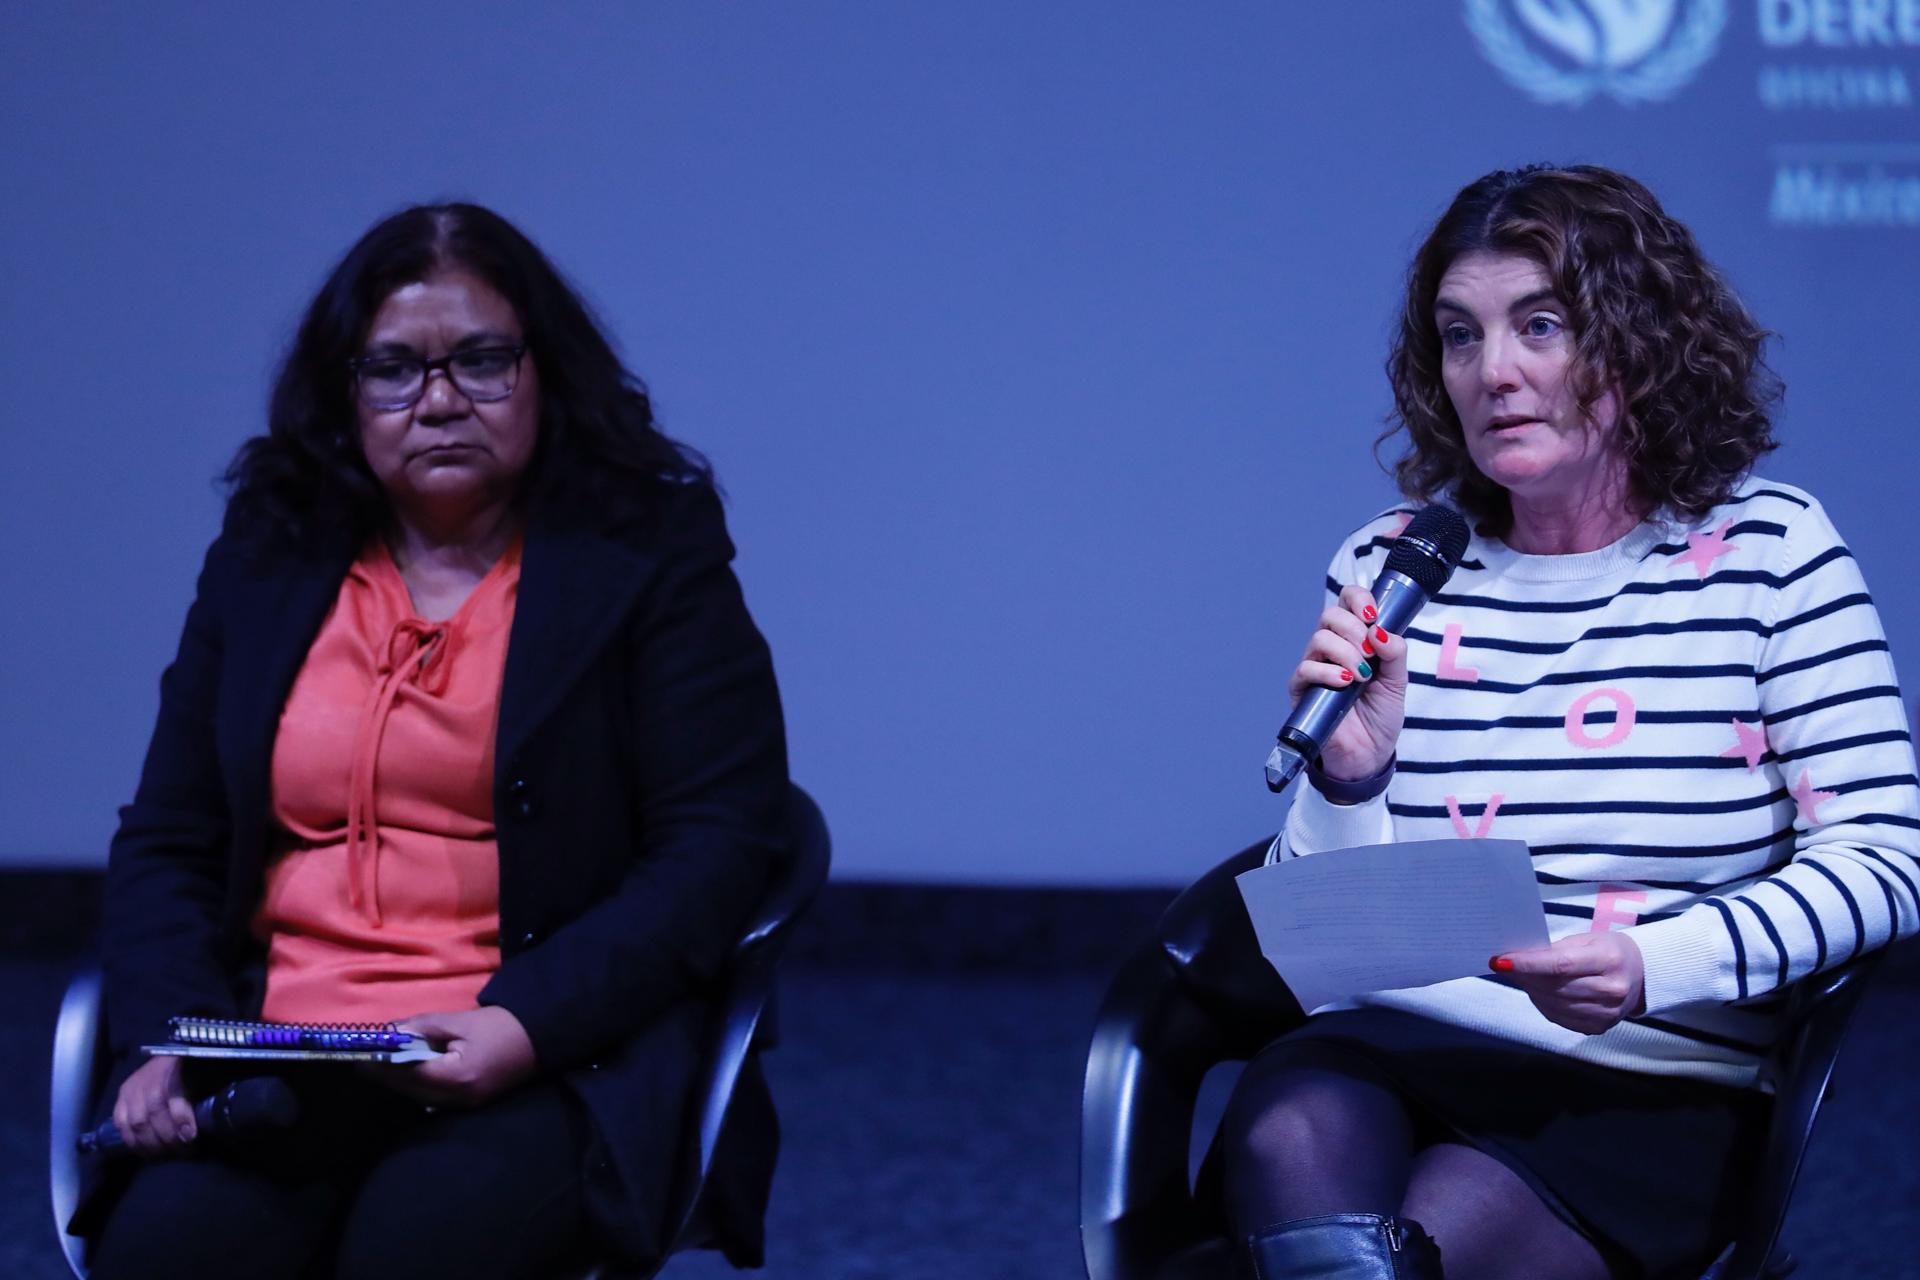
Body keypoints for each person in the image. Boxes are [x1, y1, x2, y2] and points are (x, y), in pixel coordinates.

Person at [1221, 165, 1920, 1279]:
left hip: (1649, 1075)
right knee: (1290, 1125)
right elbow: (1333, 947)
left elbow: (1887, 858)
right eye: (1460, 335)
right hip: (1402, 1038)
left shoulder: (1769, 556)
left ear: (1639, 341)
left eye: (1538, 325)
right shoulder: (1393, 562)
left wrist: (1655, 958)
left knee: (1430, 1245)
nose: (1492, 371)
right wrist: (1352, 777)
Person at [73, 203, 790, 1280]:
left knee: (419, 1252)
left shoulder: (646, 548)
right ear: (344, 393)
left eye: (483, 361)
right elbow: (172, 833)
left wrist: (525, 1023)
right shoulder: (270, 549)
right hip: (278, 1047)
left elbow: (719, 842)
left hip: (541, 1046)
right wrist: (170, 1033)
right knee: (173, 1254)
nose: (441, 399)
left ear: (544, 372)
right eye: (395, 369)